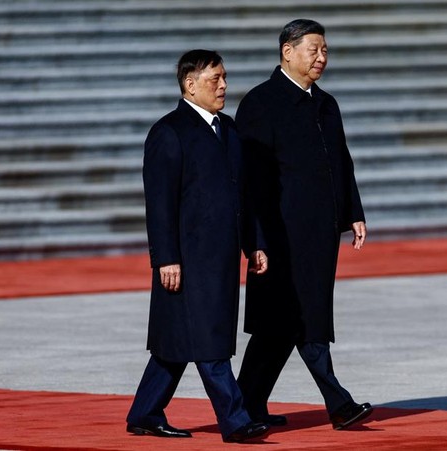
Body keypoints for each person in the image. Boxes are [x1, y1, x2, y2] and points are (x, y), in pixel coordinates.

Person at [125, 49, 270, 443]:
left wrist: (254, 244)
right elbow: (159, 204)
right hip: (187, 260)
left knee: (175, 345)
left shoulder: (229, 130)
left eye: (224, 77)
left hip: (221, 258)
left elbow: (244, 196)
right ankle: (236, 421)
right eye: (214, 79)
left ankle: (145, 412)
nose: (224, 86)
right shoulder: (169, 132)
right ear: (190, 85)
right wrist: (166, 258)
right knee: (209, 343)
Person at [235, 19, 373, 430]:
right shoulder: (261, 103)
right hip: (280, 235)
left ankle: (244, 406)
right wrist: (255, 239)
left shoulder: (326, 104)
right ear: (287, 52)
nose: (321, 58)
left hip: (320, 233)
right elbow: (251, 181)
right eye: (313, 50)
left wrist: (353, 211)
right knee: (305, 318)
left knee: (277, 326)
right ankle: (339, 403)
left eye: (325, 50)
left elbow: (341, 161)